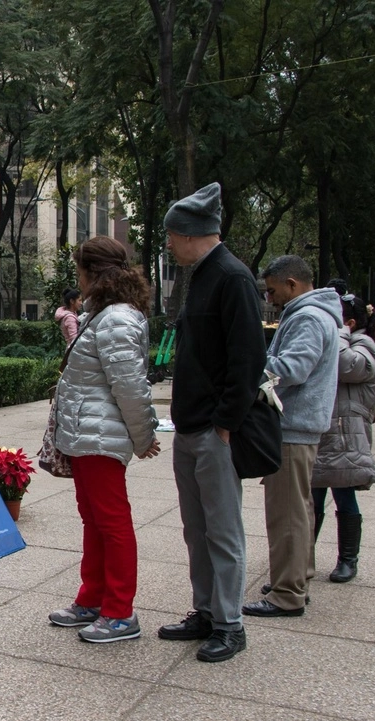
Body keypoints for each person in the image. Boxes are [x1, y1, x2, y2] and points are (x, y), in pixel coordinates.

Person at [157, 182, 266, 663]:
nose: (168, 245)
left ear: (188, 232)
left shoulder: (232, 277)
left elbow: (248, 360)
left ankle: (229, 623)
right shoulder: (199, 274)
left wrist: (226, 423)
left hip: (214, 431)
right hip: (190, 426)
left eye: (170, 237)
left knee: (223, 531)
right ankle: (205, 611)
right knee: (195, 529)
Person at [46, 236, 159, 643]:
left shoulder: (116, 319)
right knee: (94, 520)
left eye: (78, 269)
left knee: (111, 523)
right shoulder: (104, 314)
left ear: (91, 272)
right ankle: (92, 600)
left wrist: (144, 437)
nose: (77, 277)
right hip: (86, 434)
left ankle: (119, 612)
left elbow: (131, 387)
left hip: (100, 437)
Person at [245, 255, 340, 618]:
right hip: (302, 425)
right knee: (300, 508)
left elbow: (293, 369)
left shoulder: (306, 317)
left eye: (272, 290)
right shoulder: (317, 314)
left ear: (292, 284)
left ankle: (287, 593)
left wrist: (252, 372)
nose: (270, 298)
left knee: (286, 513)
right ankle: (296, 577)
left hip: (293, 427)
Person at [309, 294, 375, 583]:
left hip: (347, 436)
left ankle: (347, 559)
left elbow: (347, 367)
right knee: (311, 501)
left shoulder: (364, 346)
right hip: (322, 431)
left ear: (349, 323)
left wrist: (340, 334)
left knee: (345, 497)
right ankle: (301, 558)